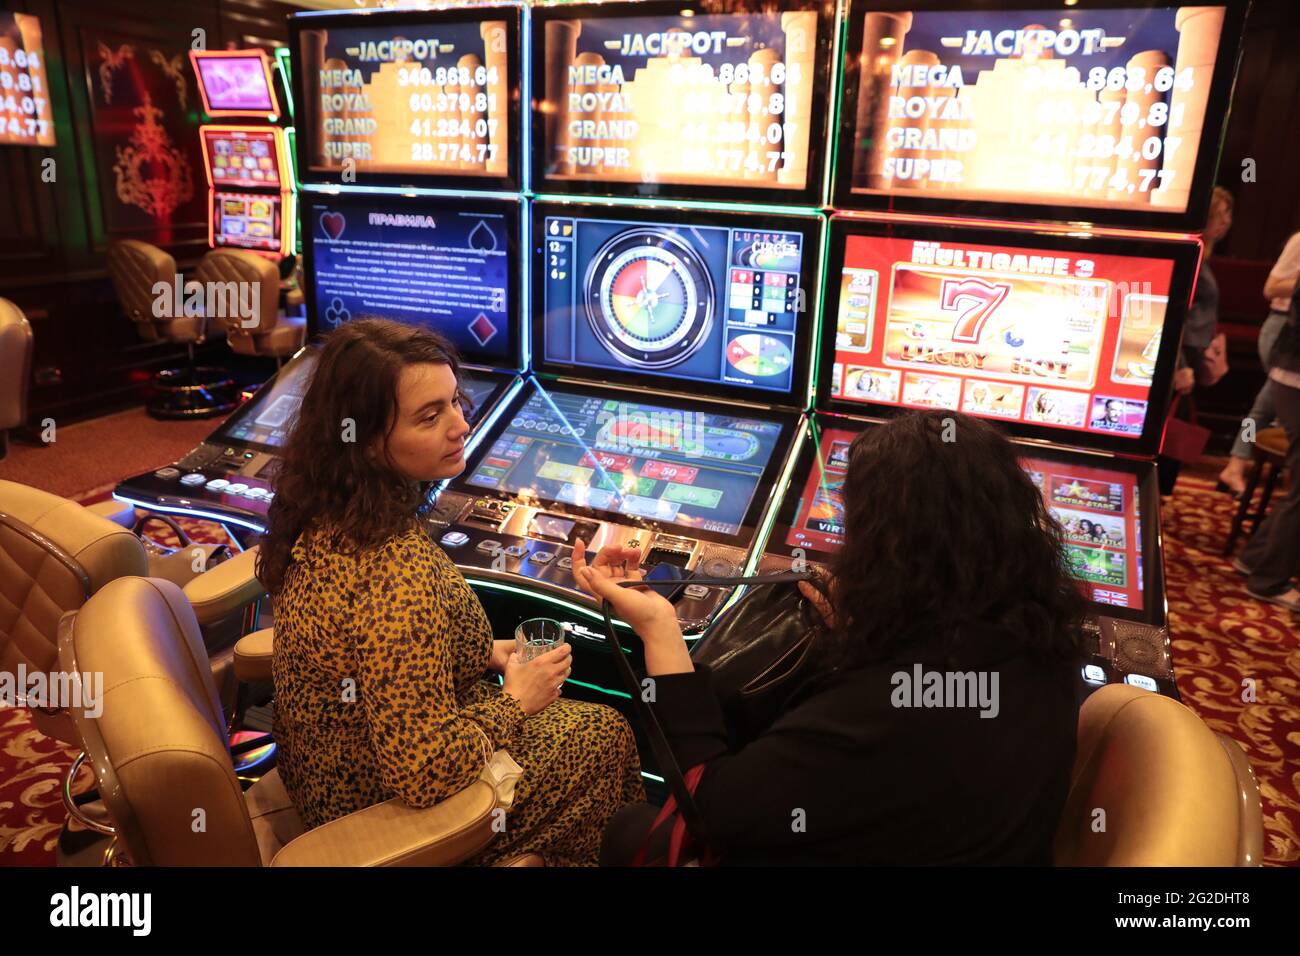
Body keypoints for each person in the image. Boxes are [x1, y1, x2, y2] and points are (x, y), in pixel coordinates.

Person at [580, 411, 1085, 865]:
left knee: (631, 831)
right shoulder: (1041, 637)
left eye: (857, 528)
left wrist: (658, 628)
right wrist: (874, 619)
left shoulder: (893, 705)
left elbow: (710, 806)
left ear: (889, 548)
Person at [258, 318, 644, 865]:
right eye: (429, 416)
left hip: (324, 774)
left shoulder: (329, 509)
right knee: (603, 734)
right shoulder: (392, 570)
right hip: (378, 809)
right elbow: (423, 772)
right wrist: (516, 700)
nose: (461, 425)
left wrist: (480, 651)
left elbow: (371, 654)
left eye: (455, 402)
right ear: (367, 442)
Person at [1218, 230, 1300, 495]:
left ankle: (1237, 463)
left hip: (1291, 332)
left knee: (1266, 406)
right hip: (1283, 327)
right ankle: (1240, 464)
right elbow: (1271, 287)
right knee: (1269, 406)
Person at [1238, 285, 1300, 611]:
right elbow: (1272, 285)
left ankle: (1256, 556)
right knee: (1255, 418)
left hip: (1285, 359)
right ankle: (1238, 459)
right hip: (1288, 358)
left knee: (1258, 415)